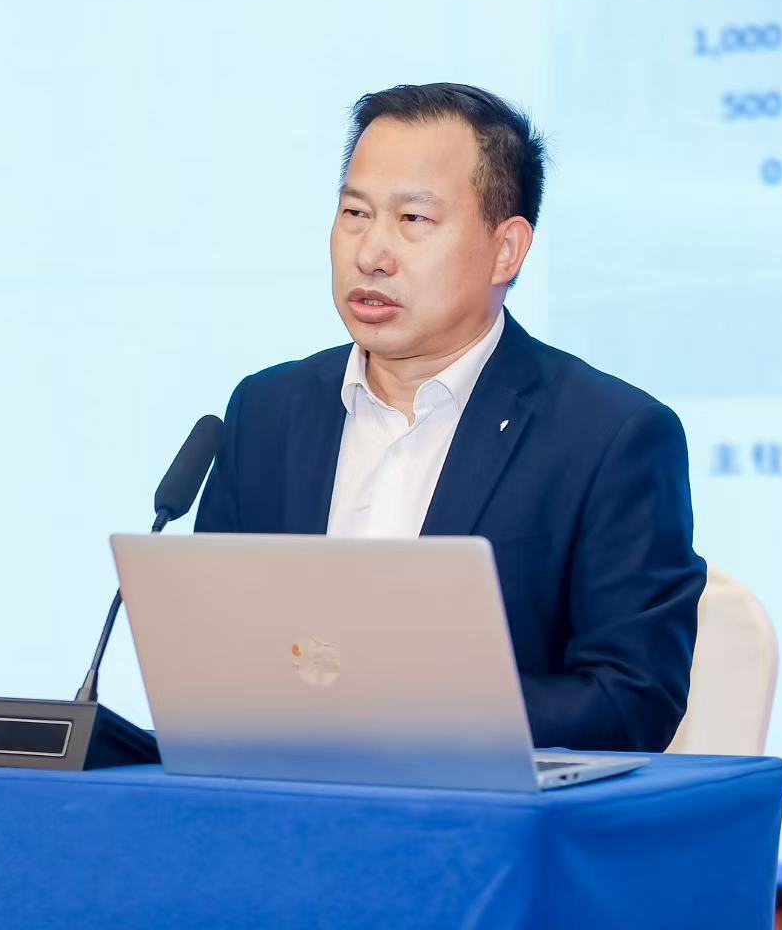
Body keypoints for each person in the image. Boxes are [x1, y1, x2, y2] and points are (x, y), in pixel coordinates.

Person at [194, 83, 703, 752]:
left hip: (478, 811)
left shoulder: (610, 436)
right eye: (355, 213)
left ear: (506, 249)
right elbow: (206, 654)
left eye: (414, 219)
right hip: (279, 800)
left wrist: (406, 708)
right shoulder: (266, 412)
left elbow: (633, 700)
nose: (371, 252)